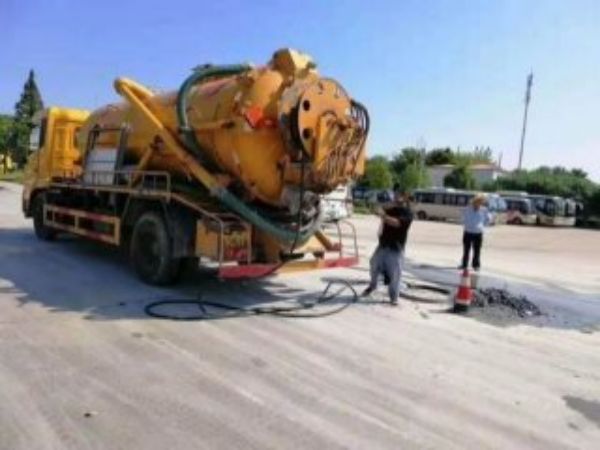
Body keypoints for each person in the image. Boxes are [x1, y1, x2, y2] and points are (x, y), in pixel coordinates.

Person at [362, 185, 413, 305]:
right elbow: (376, 209)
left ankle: (394, 297)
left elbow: (396, 223)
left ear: (405, 198)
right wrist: (383, 206)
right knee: (373, 264)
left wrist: (383, 215)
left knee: (395, 274)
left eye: (400, 194)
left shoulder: (408, 213)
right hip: (383, 245)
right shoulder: (391, 208)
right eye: (396, 194)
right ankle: (373, 285)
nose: (396, 196)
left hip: (396, 248)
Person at [460, 194, 491, 271]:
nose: (478, 203)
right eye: (477, 202)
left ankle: (476, 265)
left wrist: (482, 226)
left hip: (478, 233)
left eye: (480, 202)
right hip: (468, 231)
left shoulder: (484, 210)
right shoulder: (467, 209)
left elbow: (488, 219)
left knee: (477, 250)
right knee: (466, 249)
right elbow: (462, 218)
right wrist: (466, 224)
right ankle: (464, 264)